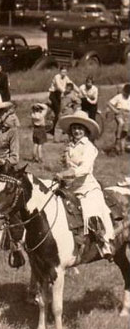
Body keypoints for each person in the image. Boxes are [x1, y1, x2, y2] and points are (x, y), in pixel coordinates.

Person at [55, 110, 114, 260]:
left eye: (80, 128)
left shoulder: (89, 147)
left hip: (87, 187)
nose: (77, 131)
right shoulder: (69, 146)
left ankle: (104, 243)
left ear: (86, 130)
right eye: (74, 128)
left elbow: (84, 169)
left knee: (91, 211)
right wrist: (61, 174)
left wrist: (66, 174)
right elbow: (65, 165)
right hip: (70, 186)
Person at [48, 66, 75, 134]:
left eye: (65, 72)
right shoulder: (57, 77)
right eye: (62, 71)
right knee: (58, 111)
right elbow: (59, 86)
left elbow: (71, 84)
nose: (64, 73)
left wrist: (79, 91)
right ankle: (54, 130)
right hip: (54, 94)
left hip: (61, 94)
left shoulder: (66, 78)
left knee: (64, 110)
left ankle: (62, 127)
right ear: (60, 71)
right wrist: (65, 92)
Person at [108, 84, 130, 155]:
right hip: (120, 113)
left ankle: (121, 150)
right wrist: (115, 110)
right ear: (124, 91)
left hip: (128, 114)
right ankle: (117, 141)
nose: (127, 94)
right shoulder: (119, 97)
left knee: (124, 132)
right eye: (126, 93)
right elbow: (109, 103)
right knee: (121, 123)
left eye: (128, 93)